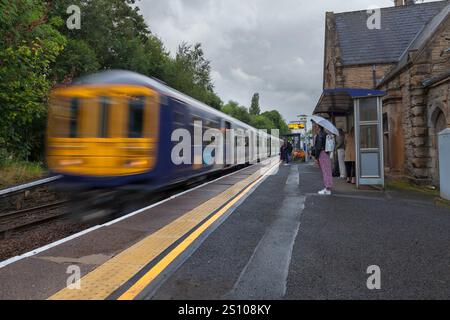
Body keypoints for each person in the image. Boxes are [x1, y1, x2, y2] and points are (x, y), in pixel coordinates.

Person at [313, 121, 333, 195]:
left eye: (316, 125)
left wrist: (316, 157)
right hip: (326, 153)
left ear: (318, 126)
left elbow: (318, 147)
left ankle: (327, 189)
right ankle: (328, 186)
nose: (316, 126)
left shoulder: (320, 135)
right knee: (327, 170)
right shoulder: (326, 134)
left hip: (322, 154)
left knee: (325, 171)